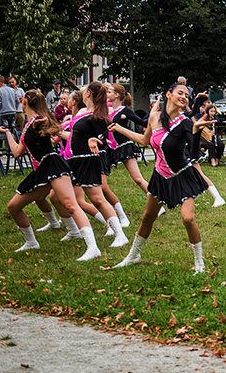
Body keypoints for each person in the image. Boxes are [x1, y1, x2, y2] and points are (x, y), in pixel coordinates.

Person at [112, 83, 214, 273]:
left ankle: (199, 263)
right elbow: (144, 141)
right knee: (147, 217)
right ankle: (133, 255)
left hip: (182, 176)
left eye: (186, 95)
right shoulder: (154, 117)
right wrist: (119, 128)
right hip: (160, 176)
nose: (183, 97)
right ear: (169, 94)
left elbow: (193, 154)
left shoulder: (185, 122)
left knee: (188, 218)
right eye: (180, 93)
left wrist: (196, 131)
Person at [0, 90, 101, 260]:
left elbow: (52, 129)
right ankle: (32, 242)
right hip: (41, 171)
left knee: (71, 205)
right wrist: (7, 133)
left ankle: (93, 247)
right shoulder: (28, 125)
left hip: (53, 165)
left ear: (25, 103)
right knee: (14, 206)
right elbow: (17, 152)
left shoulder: (39, 120)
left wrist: (45, 126)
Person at [63, 82, 129, 247]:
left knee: (98, 200)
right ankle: (79, 232)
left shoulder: (97, 116)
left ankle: (119, 234)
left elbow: (104, 140)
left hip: (88, 161)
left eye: (85, 91)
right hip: (75, 161)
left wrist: (94, 140)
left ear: (88, 94)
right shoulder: (83, 112)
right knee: (69, 198)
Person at [106, 84, 149, 195]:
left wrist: (154, 115)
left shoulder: (124, 110)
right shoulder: (107, 110)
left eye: (109, 92)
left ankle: (156, 199)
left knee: (138, 179)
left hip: (124, 146)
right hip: (110, 148)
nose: (107, 94)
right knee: (101, 182)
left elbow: (142, 122)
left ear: (116, 95)